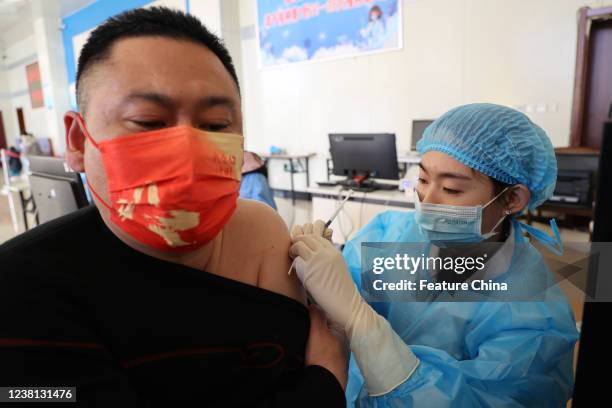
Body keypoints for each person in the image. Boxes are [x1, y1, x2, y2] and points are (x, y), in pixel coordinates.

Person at [0, 7, 347, 407]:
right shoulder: (21, 294)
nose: (187, 149)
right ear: (78, 141)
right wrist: (325, 381)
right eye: (148, 122)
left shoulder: (262, 231)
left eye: (216, 125)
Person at [289, 103, 579, 407]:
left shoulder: (535, 317)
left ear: (513, 199)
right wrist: (312, 280)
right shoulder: (390, 234)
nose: (427, 200)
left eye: (452, 189)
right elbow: (332, 302)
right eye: (423, 180)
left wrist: (362, 324)